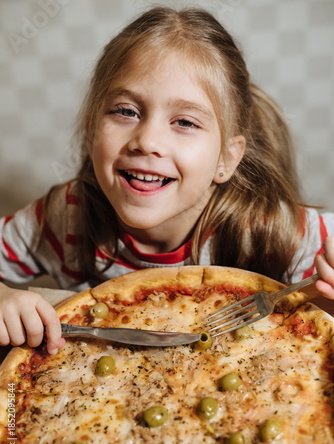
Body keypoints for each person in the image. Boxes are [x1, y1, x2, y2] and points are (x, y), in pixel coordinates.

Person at [1, 7, 334, 355]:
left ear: (227, 159)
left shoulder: (274, 231)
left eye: (185, 122)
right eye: (126, 111)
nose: (147, 141)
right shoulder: (66, 216)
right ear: (90, 130)